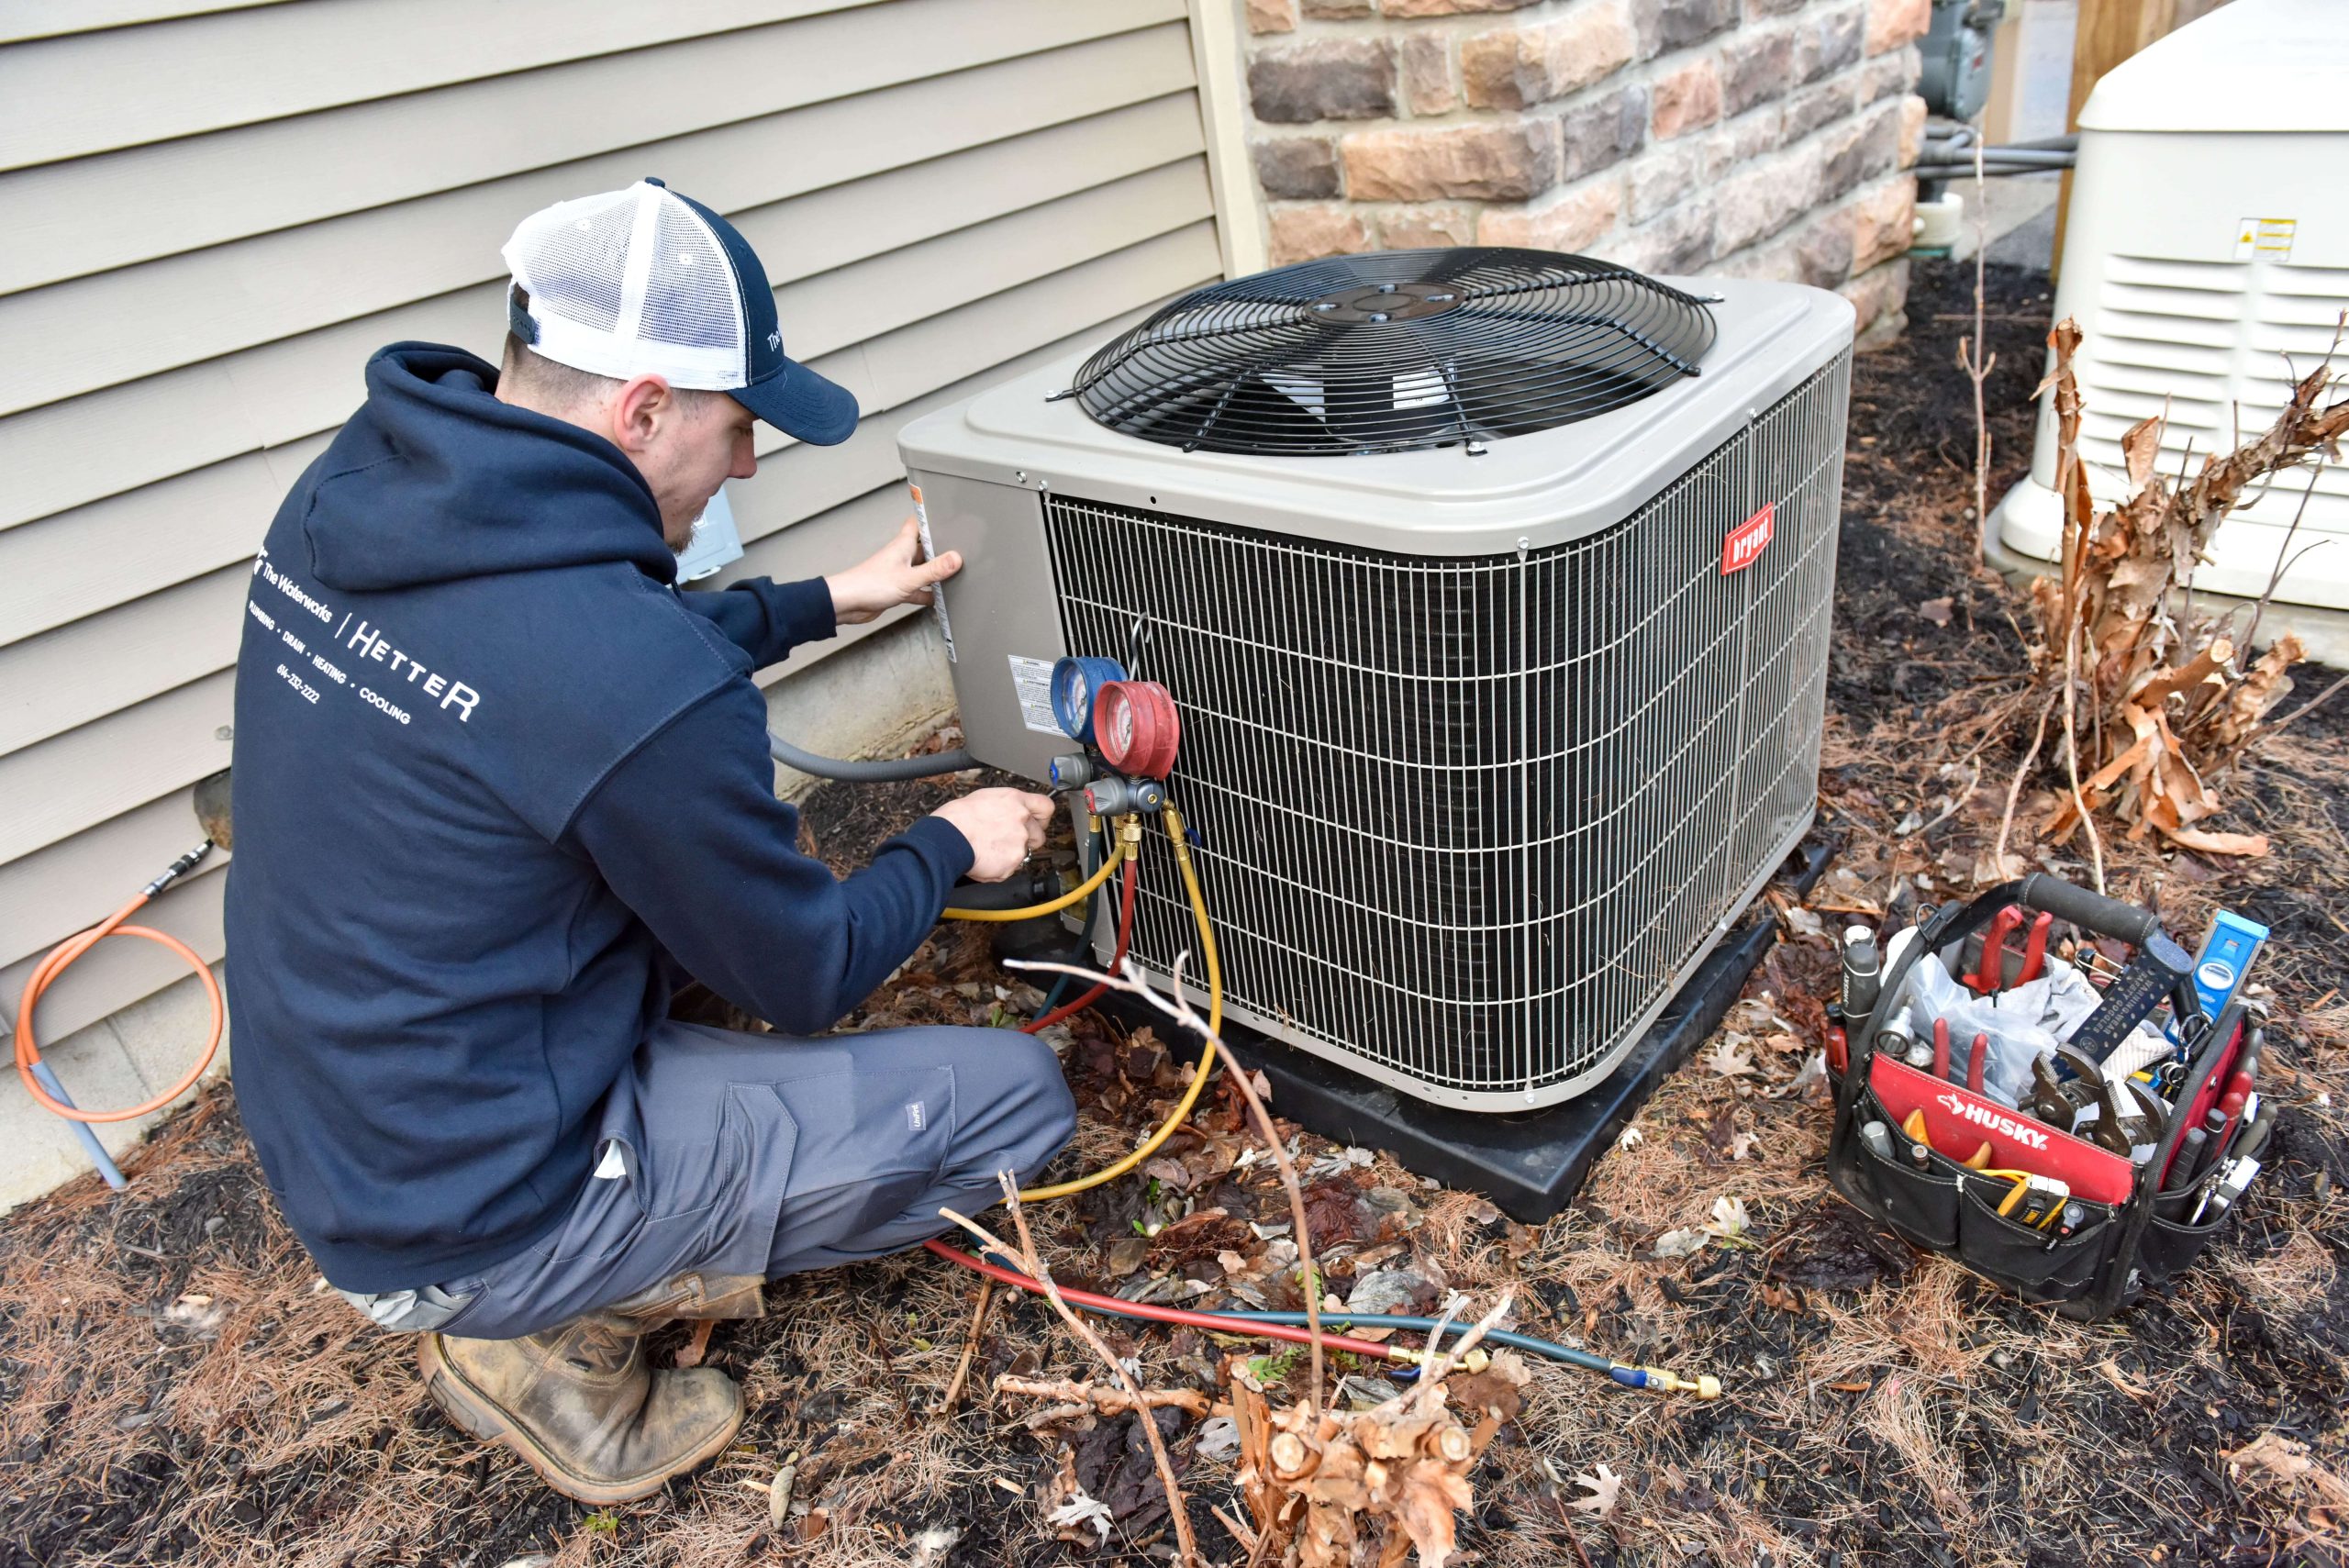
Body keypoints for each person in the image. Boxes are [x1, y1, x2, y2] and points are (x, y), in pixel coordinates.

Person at [222, 178, 1075, 1504]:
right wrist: (951, 842)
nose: (744, 465)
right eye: (736, 429)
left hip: (351, 1133)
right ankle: (552, 1331)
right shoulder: (615, 668)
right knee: (1019, 1106)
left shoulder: (364, 489)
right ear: (642, 409)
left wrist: (822, 600)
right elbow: (802, 970)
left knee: (695, 856)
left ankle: (586, 1226)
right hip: (477, 1207)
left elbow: (565, 688)